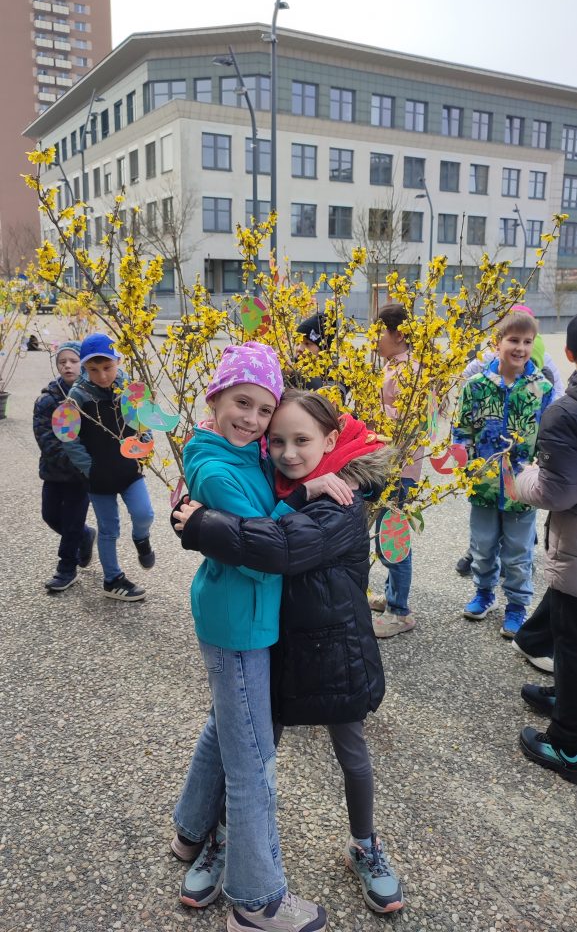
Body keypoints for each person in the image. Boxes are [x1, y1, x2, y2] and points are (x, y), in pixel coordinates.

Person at [173, 389, 404, 915]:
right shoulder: (277, 480)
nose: (288, 453)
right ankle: (222, 839)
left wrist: (200, 524)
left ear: (330, 440)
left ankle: (364, 845)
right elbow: (252, 510)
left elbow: (278, 546)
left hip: (335, 652)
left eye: (302, 440)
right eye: (277, 441)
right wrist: (193, 514)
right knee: (251, 751)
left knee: (351, 753)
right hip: (277, 646)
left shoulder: (341, 499)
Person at [168, 343, 327, 932]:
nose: (254, 420)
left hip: (238, 617)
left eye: (264, 409)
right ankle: (257, 902)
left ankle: (190, 831)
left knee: (225, 727)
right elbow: (264, 553)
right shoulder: (216, 468)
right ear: (215, 398)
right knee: (253, 761)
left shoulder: (245, 452)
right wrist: (308, 496)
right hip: (240, 623)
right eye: (242, 403)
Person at [452, 311, 553, 638]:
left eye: (527, 341)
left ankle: (517, 605)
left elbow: (549, 436)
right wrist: (462, 457)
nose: (520, 348)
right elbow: (462, 428)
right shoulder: (476, 387)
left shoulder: (541, 389)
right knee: (482, 546)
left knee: (518, 553)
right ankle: (484, 593)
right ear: (497, 343)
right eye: (513, 340)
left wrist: (543, 467)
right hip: (483, 485)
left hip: (522, 489)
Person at [515, 314, 577, 783]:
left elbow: (557, 492)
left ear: (568, 353)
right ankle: (566, 694)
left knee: (571, 638)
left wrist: (522, 478)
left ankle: (567, 743)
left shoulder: (564, 412)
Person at [62, 332, 155, 602]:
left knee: (144, 513)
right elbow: (68, 438)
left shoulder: (131, 391)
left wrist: (144, 444)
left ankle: (141, 539)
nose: (102, 376)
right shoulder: (77, 397)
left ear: (118, 362)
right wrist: (88, 467)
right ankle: (112, 579)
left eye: (107, 367)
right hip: (98, 478)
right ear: (84, 368)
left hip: (129, 471)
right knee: (109, 528)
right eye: (93, 369)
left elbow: (144, 421)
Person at [369, 302, 423, 638]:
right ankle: (392, 597)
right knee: (385, 533)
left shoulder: (409, 372)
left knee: (393, 537)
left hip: (400, 469)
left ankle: (400, 611)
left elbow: (409, 423)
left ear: (399, 334)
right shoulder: (394, 366)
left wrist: (372, 418)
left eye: (379, 333)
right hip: (388, 465)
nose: (374, 340)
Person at [32, 340, 95, 592]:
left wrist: (86, 465)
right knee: (50, 516)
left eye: (73, 361)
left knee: (71, 521)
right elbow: (45, 438)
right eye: (62, 362)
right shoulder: (48, 401)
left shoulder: (91, 398)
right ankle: (85, 535)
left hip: (81, 477)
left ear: (83, 364)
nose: (68, 366)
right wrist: (73, 459)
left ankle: (66, 568)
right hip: (54, 472)